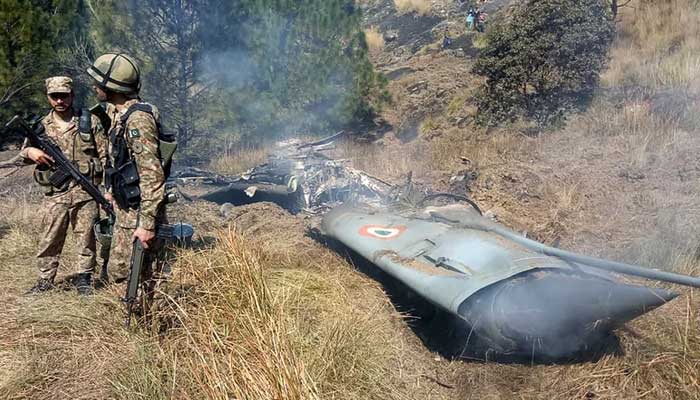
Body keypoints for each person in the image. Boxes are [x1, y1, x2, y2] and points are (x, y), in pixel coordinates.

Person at [86, 53, 173, 303]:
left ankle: (148, 326)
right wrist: (112, 189)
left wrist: (146, 224)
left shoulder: (137, 120)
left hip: (139, 212)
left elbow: (152, 176)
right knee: (121, 271)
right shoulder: (120, 114)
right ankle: (137, 320)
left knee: (139, 275)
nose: (95, 87)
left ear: (113, 87)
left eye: (100, 83)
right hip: (127, 210)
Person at [19, 76, 107, 295]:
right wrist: (31, 152)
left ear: (72, 95)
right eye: (54, 96)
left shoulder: (88, 121)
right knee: (50, 237)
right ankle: (45, 279)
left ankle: (84, 278)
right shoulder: (40, 126)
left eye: (64, 96)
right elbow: (24, 152)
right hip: (56, 194)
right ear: (48, 97)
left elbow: (105, 157)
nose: (60, 101)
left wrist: (109, 189)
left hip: (85, 191)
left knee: (86, 237)